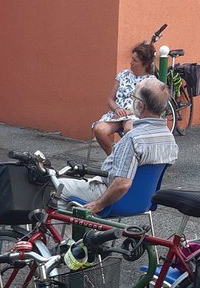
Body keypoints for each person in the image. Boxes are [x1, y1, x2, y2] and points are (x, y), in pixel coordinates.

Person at [60, 77, 177, 215]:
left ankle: (69, 236)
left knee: (55, 186)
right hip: (143, 201)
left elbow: (122, 184)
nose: (132, 101)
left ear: (140, 105)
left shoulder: (134, 138)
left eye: (133, 97)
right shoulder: (169, 138)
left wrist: (99, 204)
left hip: (112, 198)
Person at [91, 41, 156, 155]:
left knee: (130, 130)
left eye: (135, 60)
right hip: (117, 114)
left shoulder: (151, 81)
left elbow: (148, 106)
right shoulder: (123, 75)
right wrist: (117, 109)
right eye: (132, 58)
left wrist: (129, 111)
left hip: (135, 115)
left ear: (145, 64)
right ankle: (114, 157)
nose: (131, 62)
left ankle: (129, 159)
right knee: (99, 129)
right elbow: (110, 99)